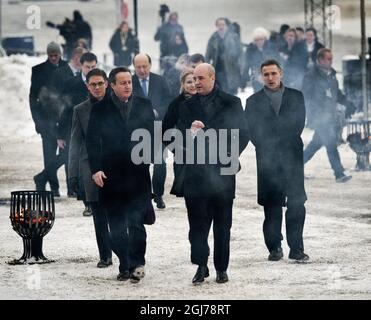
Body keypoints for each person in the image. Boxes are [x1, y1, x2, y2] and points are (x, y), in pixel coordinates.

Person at [163, 63, 248, 284]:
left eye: (201, 78)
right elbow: (168, 135)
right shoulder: (184, 105)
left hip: (223, 172)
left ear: (212, 78)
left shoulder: (232, 102)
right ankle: (201, 265)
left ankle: (221, 268)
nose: (197, 82)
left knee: (223, 224)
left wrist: (228, 153)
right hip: (195, 173)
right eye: (194, 78)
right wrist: (187, 139)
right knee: (197, 225)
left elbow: (243, 133)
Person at [86, 67, 155, 283]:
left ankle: (136, 263)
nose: (127, 86)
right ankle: (124, 263)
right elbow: (91, 141)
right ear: (112, 85)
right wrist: (96, 169)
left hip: (138, 175)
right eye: (122, 83)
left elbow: (153, 136)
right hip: (111, 176)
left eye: (129, 82)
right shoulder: (100, 109)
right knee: (115, 225)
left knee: (136, 223)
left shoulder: (144, 105)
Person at [245, 59, 309, 262]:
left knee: (297, 204)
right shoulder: (253, 101)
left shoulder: (296, 96)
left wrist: (283, 144)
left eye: (274, 73)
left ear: (281, 73)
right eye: (266, 74)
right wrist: (267, 147)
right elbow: (252, 130)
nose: (270, 78)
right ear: (261, 76)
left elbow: (298, 124)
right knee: (272, 205)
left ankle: (296, 248)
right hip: (267, 159)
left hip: (292, 157)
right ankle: (274, 247)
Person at [68, 68, 112, 268]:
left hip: (116, 166)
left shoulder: (117, 105)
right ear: (87, 86)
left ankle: (125, 252)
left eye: (100, 83)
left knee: (118, 213)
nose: (96, 87)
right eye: (92, 84)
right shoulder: (80, 110)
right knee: (98, 214)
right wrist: (72, 176)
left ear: (107, 83)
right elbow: (75, 143)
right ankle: (105, 255)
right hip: (90, 169)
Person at [303, 48, 355, 182]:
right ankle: (339, 173)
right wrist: (315, 113)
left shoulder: (331, 74)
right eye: (328, 59)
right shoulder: (311, 75)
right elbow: (306, 96)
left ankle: (293, 168)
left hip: (329, 116)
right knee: (331, 144)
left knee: (314, 145)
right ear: (320, 60)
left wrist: (347, 103)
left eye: (331, 58)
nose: (331, 61)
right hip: (319, 117)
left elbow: (336, 93)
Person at [132, 53, 172, 209]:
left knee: (160, 164)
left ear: (150, 65)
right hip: (136, 130)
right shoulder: (130, 81)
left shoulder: (160, 80)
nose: (142, 70)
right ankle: (144, 194)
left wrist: (157, 112)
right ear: (134, 67)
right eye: (138, 67)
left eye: (145, 66)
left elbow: (169, 101)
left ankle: (159, 194)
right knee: (141, 165)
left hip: (157, 128)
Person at [57, 52, 97, 201]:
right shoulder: (71, 83)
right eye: (88, 67)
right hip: (75, 127)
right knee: (77, 161)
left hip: (96, 127)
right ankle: (83, 197)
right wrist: (60, 134)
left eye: (93, 66)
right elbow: (64, 110)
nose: (91, 69)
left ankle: (91, 198)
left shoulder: (101, 81)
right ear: (81, 66)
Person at [31, 42, 68, 196]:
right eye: (51, 55)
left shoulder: (67, 68)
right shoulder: (38, 70)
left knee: (68, 153)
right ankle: (54, 188)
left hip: (65, 116)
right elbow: (33, 98)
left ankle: (72, 186)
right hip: (47, 120)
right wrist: (37, 121)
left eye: (56, 55)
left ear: (60, 54)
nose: (53, 58)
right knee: (49, 154)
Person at [162, 68, 197, 196]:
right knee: (190, 197)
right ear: (182, 84)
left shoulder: (207, 101)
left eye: (195, 80)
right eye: (188, 82)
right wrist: (177, 149)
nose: (192, 84)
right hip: (184, 156)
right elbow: (165, 131)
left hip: (206, 156)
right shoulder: (176, 104)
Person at [205, 17, 242, 95]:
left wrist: (241, 68)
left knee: (232, 94)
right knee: (219, 93)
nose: (221, 27)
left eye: (223, 24)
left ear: (227, 26)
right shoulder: (213, 38)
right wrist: (206, 69)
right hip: (218, 69)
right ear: (216, 26)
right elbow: (208, 55)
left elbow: (240, 54)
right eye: (219, 25)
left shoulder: (234, 37)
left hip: (231, 70)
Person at [242, 27, 280, 92]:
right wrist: (245, 79)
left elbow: (277, 61)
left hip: (270, 74)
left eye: (261, 39)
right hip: (256, 75)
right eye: (257, 40)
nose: (259, 42)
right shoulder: (250, 49)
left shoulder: (272, 47)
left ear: (265, 39)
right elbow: (247, 63)